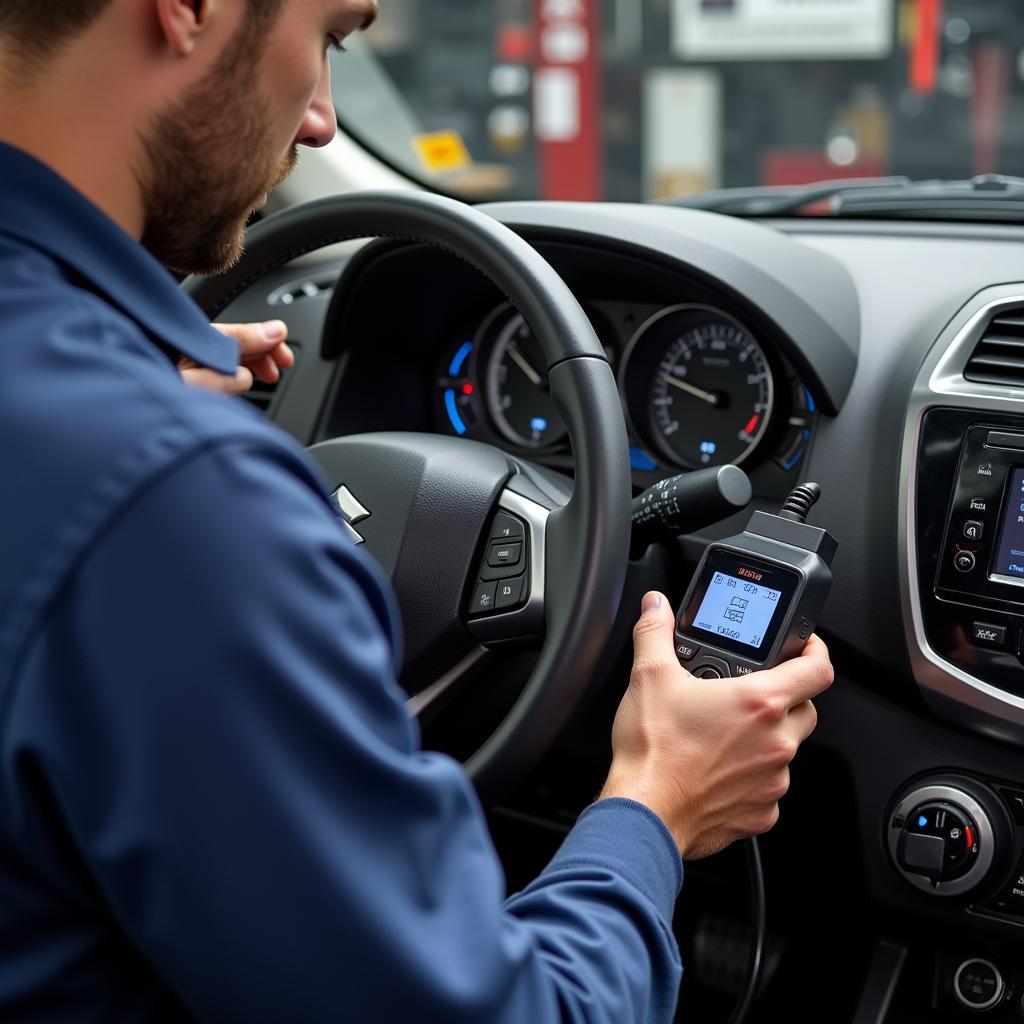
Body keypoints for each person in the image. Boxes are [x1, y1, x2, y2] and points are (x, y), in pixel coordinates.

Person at [0, 1, 833, 1021]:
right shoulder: (173, 503)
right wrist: (658, 801)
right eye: (331, 40)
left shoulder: (96, 431)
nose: (319, 123)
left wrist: (127, 391)